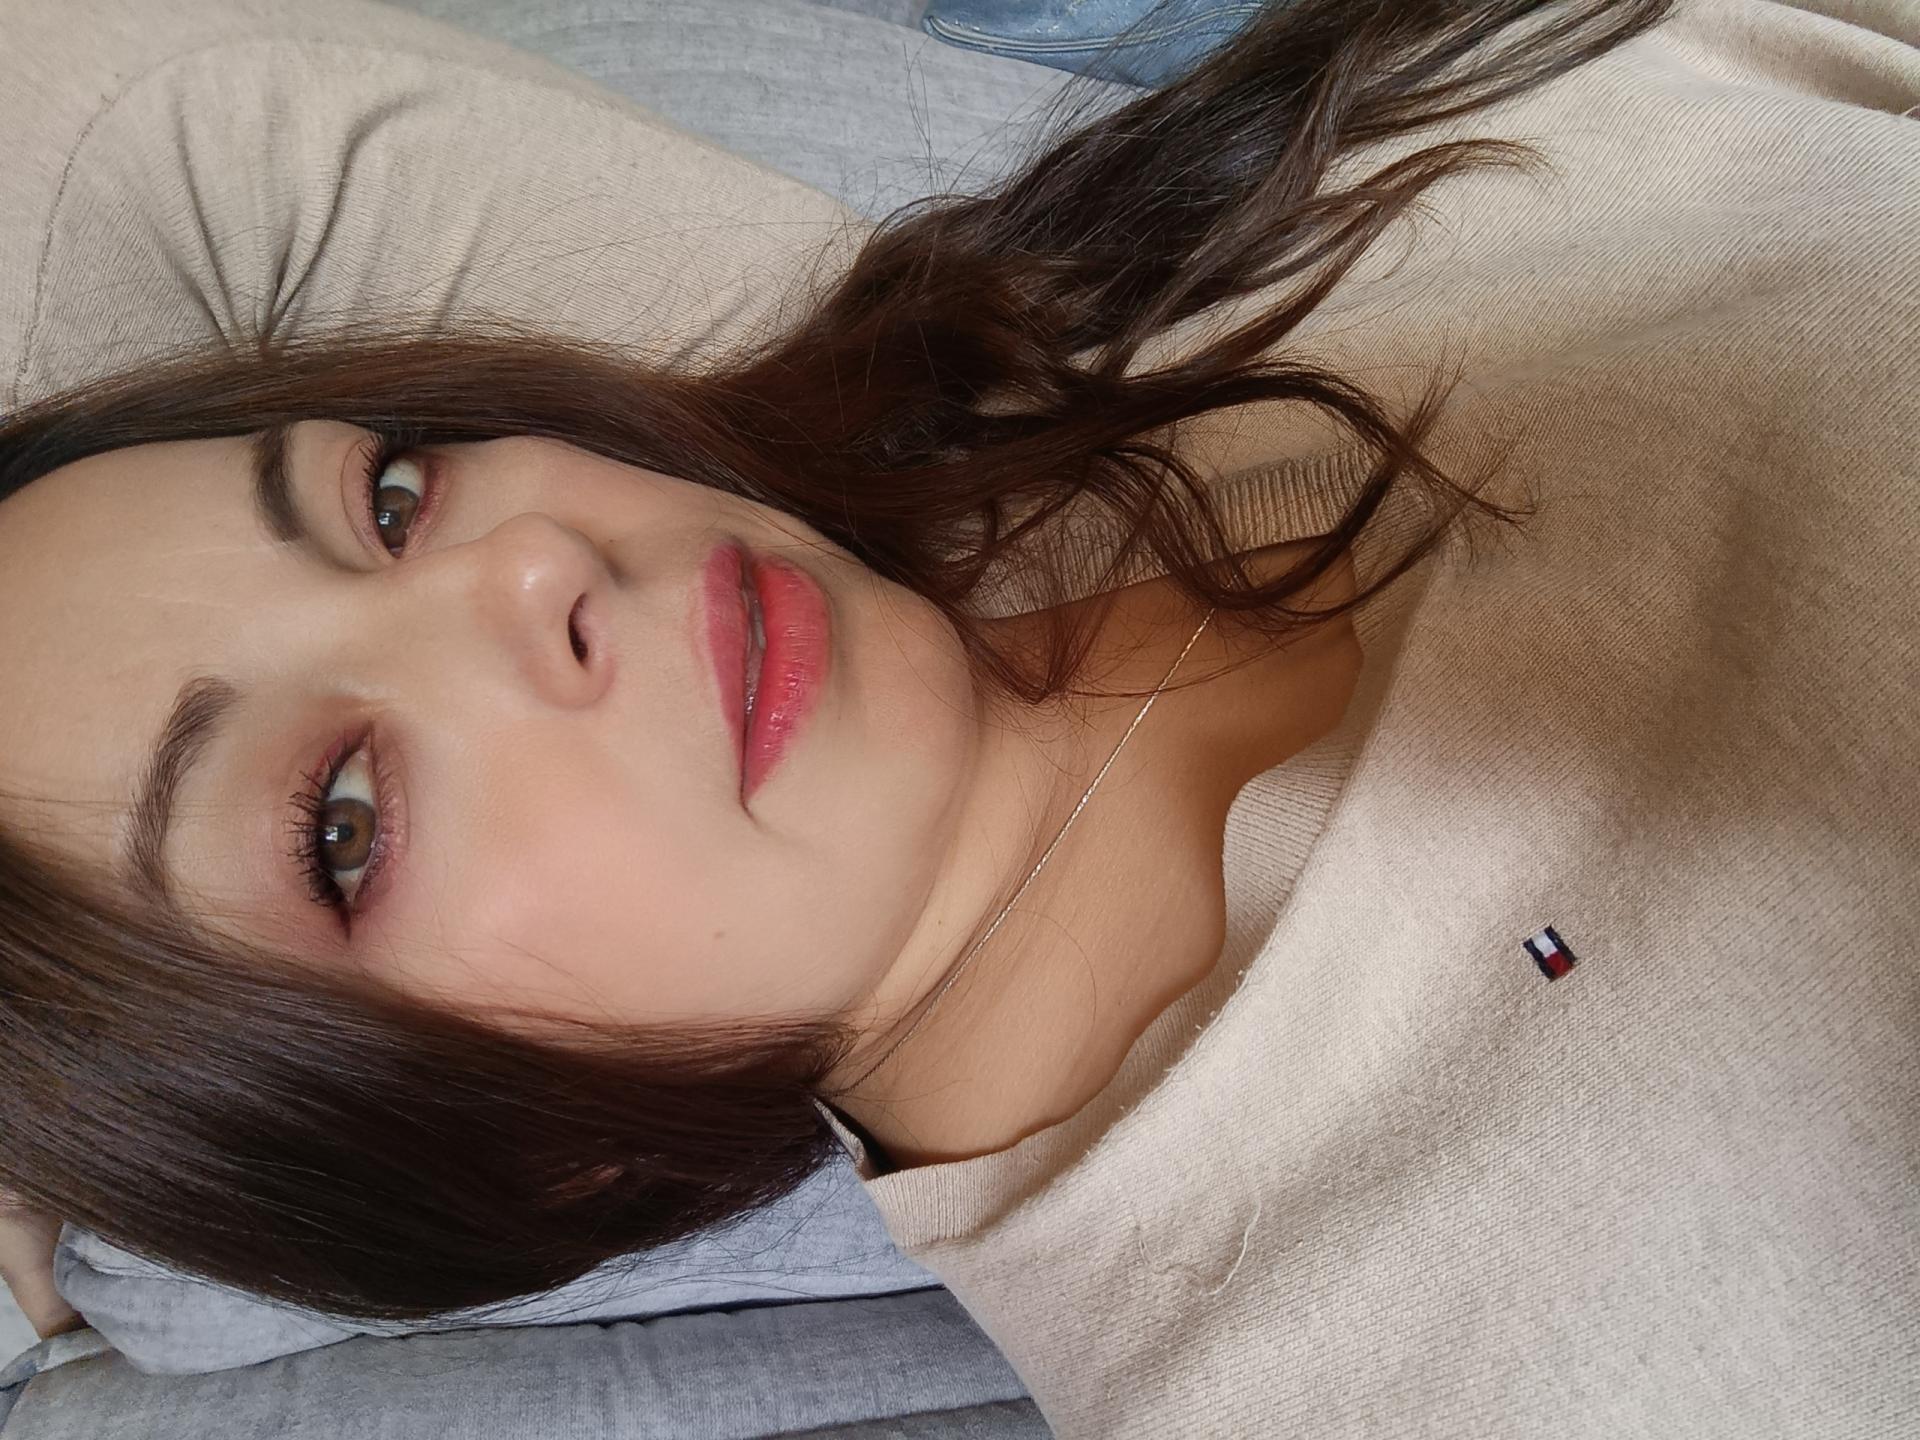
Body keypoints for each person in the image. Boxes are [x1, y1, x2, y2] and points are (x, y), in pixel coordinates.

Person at [2, 0, 1915, 1432]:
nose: (524, 572)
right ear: (517, 1157)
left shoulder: (1048, 349)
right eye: (342, 823)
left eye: (391, 495)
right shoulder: (1445, 1360)